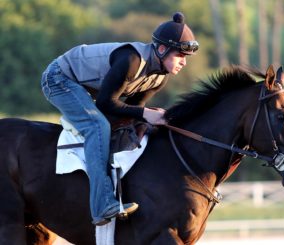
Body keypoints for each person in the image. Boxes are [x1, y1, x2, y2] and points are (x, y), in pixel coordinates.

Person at [40, 12, 199, 226]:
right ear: (162, 49)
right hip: (58, 78)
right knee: (97, 126)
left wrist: (149, 117)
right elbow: (106, 104)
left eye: (186, 57)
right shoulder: (131, 60)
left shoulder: (160, 76)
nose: (184, 63)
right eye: (180, 55)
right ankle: (101, 205)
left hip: (84, 88)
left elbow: (131, 110)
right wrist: (145, 114)